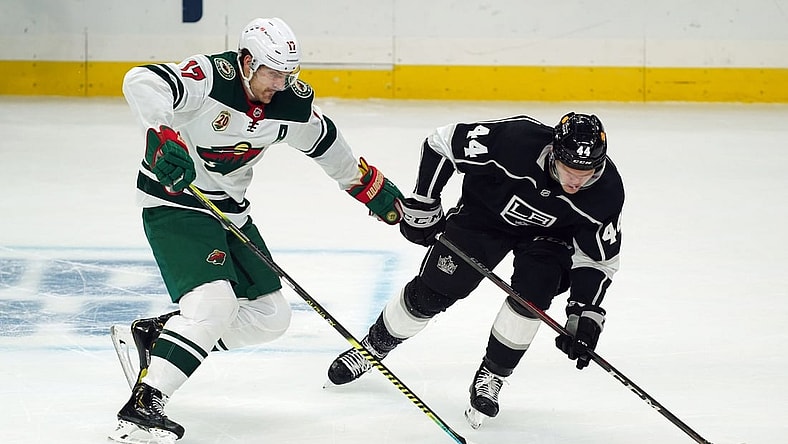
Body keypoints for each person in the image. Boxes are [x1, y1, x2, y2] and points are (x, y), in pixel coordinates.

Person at [109, 17, 403, 443]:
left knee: (271, 318)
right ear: (246, 62)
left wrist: (365, 186)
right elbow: (141, 81)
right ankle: (143, 406)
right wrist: (162, 132)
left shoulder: (289, 105)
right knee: (214, 306)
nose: (280, 84)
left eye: (288, 74)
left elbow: (326, 142)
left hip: (231, 213)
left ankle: (159, 335)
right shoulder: (210, 78)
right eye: (272, 72)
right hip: (177, 202)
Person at [326, 112, 624, 429]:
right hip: (484, 218)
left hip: (549, 240)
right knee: (432, 293)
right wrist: (425, 202)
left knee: (534, 294)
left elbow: (598, 259)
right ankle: (373, 347)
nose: (578, 180)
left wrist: (585, 312)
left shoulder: (605, 192)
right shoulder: (515, 141)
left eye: (587, 171)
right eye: (570, 169)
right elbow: (441, 143)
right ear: (553, 151)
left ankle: (492, 376)